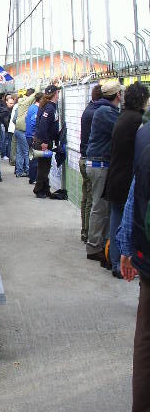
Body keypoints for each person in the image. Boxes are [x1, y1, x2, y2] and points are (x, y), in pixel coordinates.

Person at [116, 116, 150, 412]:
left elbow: (133, 197)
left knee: (146, 336)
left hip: (147, 252)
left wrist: (127, 248)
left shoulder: (144, 134)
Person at [104, 81, 148, 277]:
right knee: (124, 223)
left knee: (115, 220)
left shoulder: (123, 117)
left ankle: (113, 261)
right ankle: (118, 263)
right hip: (125, 178)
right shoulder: (137, 121)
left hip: (115, 176)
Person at [85, 79, 122, 262]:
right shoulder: (106, 111)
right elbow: (121, 129)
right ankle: (93, 247)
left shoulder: (102, 109)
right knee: (100, 208)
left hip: (98, 164)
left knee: (100, 207)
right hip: (100, 165)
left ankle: (99, 244)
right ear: (118, 95)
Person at [79, 84, 104, 243]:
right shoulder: (97, 113)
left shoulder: (88, 110)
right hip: (91, 160)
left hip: (84, 158)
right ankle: (88, 232)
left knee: (86, 198)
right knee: (91, 200)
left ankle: (85, 230)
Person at [33, 84, 60, 198]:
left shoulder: (48, 106)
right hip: (44, 140)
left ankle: (44, 188)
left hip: (44, 139)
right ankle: (39, 189)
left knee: (44, 166)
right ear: (55, 94)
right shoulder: (49, 108)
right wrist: (44, 142)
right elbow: (43, 125)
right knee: (44, 167)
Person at [15, 88, 36, 177]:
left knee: (20, 152)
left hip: (17, 130)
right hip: (23, 131)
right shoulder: (28, 106)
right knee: (27, 152)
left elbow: (13, 119)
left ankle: (19, 171)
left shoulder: (19, 104)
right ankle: (28, 170)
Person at [25, 91, 43, 185]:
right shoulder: (36, 109)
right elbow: (33, 122)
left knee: (32, 156)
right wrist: (35, 134)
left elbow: (26, 119)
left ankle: (32, 177)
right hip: (32, 136)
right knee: (35, 157)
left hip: (28, 135)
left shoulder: (31, 107)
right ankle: (34, 178)